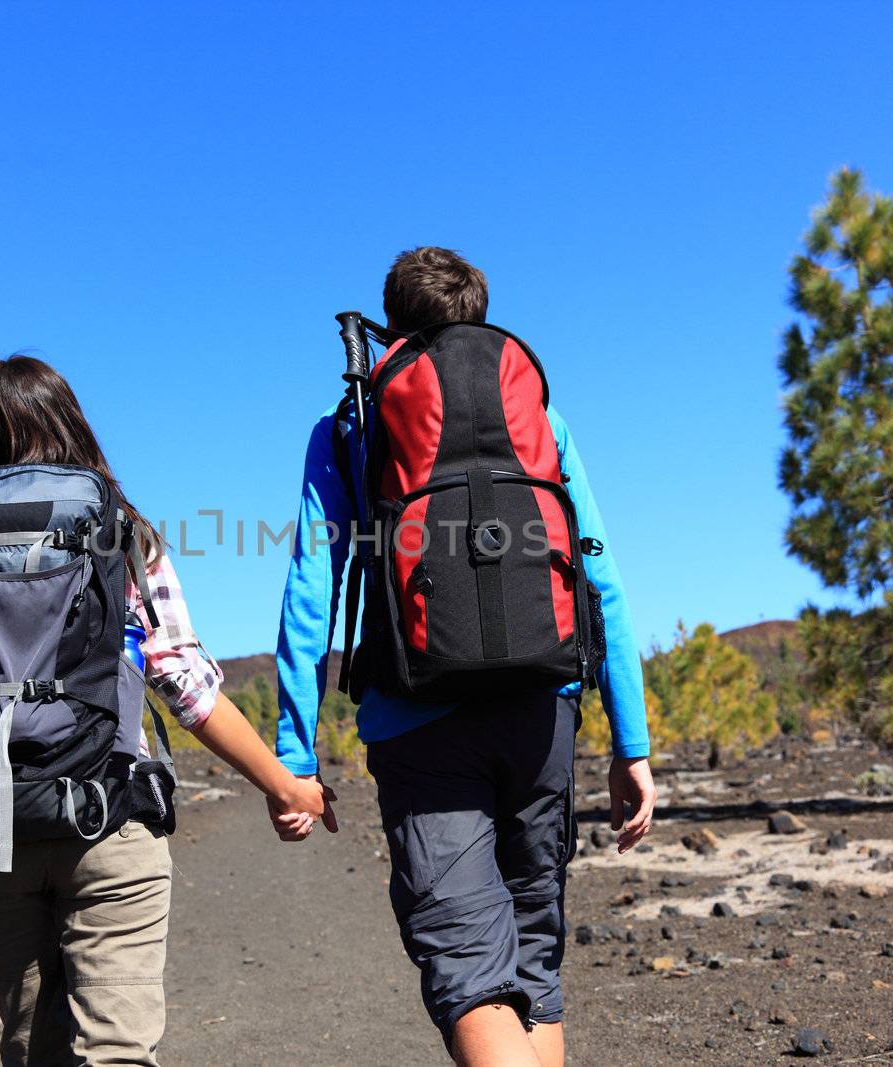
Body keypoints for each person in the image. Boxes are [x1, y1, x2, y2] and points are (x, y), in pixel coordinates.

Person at [0, 355, 333, 1067]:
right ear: (72, 427)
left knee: (37, 1049)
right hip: (109, 816)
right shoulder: (121, 533)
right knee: (117, 1052)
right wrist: (283, 784)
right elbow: (187, 686)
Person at [273, 247, 657, 1067]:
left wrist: (294, 754)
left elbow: (312, 589)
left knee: (467, 965)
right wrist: (633, 742)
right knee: (533, 954)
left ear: (390, 330)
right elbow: (600, 572)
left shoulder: (353, 422)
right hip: (541, 710)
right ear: (480, 321)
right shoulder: (537, 417)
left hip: (419, 716)